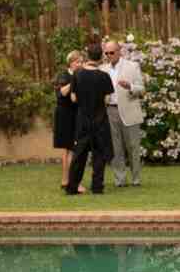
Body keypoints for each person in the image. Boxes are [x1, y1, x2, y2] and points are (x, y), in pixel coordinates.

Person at [65, 43, 115, 195]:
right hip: (100, 120)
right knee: (99, 154)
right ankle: (97, 187)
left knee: (79, 154)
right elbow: (107, 99)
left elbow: (73, 98)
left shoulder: (77, 74)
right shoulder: (104, 76)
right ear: (101, 57)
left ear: (87, 56)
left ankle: (72, 187)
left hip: (83, 120)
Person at [100, 41, 145, 187]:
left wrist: (130, 86)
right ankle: (120, 179)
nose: (109, 55)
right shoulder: (103, 69)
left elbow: (142, 89)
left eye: (111, 52)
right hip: (110, 110)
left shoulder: (132, 66)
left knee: (133, 147)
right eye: (106, 53)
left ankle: (136, 178)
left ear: (119, 52)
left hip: (129, 111)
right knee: (115, 147)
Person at [53, 50, 85, 193]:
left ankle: (67, 180)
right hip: (65, 115)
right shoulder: (64, 75)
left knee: (70, 149)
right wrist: (74, 80)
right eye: (77, 62)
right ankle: (71, 182)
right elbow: (62, 93)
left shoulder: (80, 75)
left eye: (81, 62)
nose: (80, 64)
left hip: (75, 114)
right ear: (71, 63)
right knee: (69, 149)